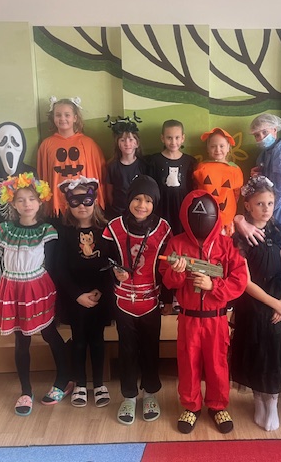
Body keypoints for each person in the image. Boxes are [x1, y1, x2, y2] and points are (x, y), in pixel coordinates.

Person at [160, 190, 248, 435]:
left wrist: (214, 286)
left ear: (215, 216)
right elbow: (167, 280)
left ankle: (218, 405)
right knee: (188, 363)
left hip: (216, 318)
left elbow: (239, 280)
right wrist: (178, 272)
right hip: (188, 317)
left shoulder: (227, 245)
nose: (200, 220)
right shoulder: (177, 243)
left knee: (217, 364)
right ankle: (191, 406)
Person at [0, 172, 72, 416]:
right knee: (21, 340)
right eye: (21, 199)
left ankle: (64, 379)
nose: (27, 204)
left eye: (31, 199)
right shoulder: (4, 230)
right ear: (13, 203)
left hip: (37, 287)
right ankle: (25, 390)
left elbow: (54, 265)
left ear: (40, 201)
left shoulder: (47, 230)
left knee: (49, 333)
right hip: (12, 288)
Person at [102, 175, 171, 425]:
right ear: (129, 199)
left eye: (148, 200)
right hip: (123, 302)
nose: (142, 205)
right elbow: (104, 261)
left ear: (155, 204)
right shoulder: (114, 227)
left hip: (152, 301)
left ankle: (150, 393)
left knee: (151, 348)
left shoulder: (163, 229)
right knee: (127, 349)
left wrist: (168, 300)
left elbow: (167, 268)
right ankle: (129, 396)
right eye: (138, 199)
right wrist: (114, 272)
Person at [230, 175, 281, 431]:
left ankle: (272, 402)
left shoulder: (277, 231)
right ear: (248, 206)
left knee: (274, 352)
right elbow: (244, 281)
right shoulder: (240, 238)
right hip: (253, 305)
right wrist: (273, 303)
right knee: (255, 351)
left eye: (270, 203)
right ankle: (259, 400)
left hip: (277, 302)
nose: (266, 209)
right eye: (259, 204)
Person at [234, 114, 281, 322]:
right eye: (257, 135)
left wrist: (269, 209)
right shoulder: (265, 154)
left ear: (275, 130)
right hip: (271, 206)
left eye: (264, 132)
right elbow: (266, 183)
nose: (261, 137)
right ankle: (273, 294)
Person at [56, 177, 112, 409]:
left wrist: (101, 290)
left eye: (86, 200)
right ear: (68, 204)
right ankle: (80, 382)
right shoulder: (64, 233)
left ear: (94, 201)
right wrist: (77, 295)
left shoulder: (106, 231)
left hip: (100, 296)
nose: (82, 206)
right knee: (78, 340)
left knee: (97, 340)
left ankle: (98, 383)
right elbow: (59, 268)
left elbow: (111, 263)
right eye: (75, 201)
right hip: (75, 297)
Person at [0, 122, 36, 334]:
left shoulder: (30, 172)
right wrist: (5, 231)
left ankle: (27, 315)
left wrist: (23, 230)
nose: (9, 146)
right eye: (3, 141)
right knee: (0, 275)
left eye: (14, 141)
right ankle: (1, 317)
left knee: (27, 276)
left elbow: (36, 202)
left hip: (25, 233)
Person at [37, 97, 107, 218]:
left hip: (84, 204)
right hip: (58, 207)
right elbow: (42, 177)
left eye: (67, 115)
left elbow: (100, 174)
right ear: (53, 117)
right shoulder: (46, 145)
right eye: (58, 115)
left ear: (75, 118)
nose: (62, 118)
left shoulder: (88, 144)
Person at [147, 119, 197, 236]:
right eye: (169, 138)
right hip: (161, 206)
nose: (173, 142)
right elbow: (151, 187)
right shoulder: (154, 160)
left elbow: (192, 187)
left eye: (177, 137)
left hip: (182, 206)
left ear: (183, 138)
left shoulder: (190, 161)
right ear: (162, 138)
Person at [192, 128, 244, 237]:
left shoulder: (234, 169)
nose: (217, 149)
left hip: (226, 218)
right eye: (213, 146)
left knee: (225, 244)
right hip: (206, 217)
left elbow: (237, 193)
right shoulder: (202, 167)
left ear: (228, 147)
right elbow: (197, 191)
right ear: (207, 148)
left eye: (222, 146)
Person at [105, 115, 148, 220]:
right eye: (122, 140)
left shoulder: (144, 165)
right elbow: (109, 193)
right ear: (118, 144)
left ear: (136, 143)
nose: (127, 144)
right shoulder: (112, 166)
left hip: (138, 211)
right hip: (118, 212)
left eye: (130, 139)